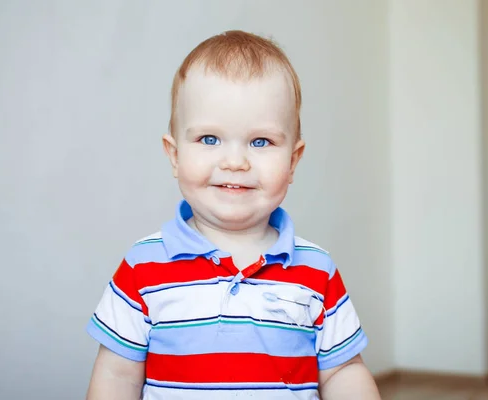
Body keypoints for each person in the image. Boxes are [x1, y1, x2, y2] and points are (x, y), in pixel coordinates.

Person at [85, 30, 381, 400]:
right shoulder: (142, 267)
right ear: (175, 155)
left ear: (293, 161)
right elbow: (116, 376)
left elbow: (342, 371)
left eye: (261, 141)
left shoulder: (316, 271)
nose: (235, 162)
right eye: (209, 139)